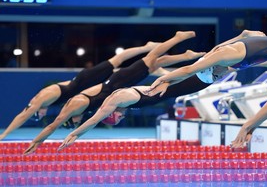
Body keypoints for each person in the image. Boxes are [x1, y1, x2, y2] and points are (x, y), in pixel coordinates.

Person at [22, 31, 204, 155]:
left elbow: (52, 126)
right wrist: (76, 134)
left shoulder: (74, 106)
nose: (78, 122)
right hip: (118, 85)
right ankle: (185, 56)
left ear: (73, 118)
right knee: (153, 64)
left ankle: (177, 39)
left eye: (74, 123)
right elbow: (92, 121)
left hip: (118, 82)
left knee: (149, 59)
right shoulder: (84, 109)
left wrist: (38, 142)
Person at [0, 41, 159, 140]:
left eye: (37, 115)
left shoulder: (40, 100)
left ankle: (146, 47)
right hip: (90, 86)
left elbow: (22, 116)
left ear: (36, 111)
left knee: (116, 60)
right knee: (125, 73)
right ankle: (154, 65)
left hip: (84, 80)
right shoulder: (53, 104)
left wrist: (4, 135)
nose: (41, 115)